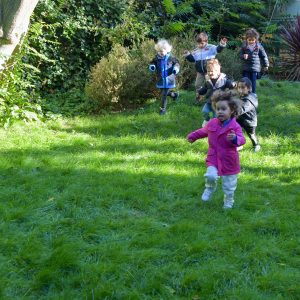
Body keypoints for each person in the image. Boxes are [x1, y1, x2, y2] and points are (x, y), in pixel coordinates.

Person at [187, 90, 246, 209]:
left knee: (229, 185)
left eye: (223, 109)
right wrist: (193, 136)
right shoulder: (213, 123)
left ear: (232, 110)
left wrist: (235, 139)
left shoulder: (235, 126)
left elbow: (242, 139)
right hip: (213, 157)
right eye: (217, 109)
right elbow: (203, 131)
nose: (220, 111)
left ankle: (229, 200)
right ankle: (210, 188)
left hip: (229, 159)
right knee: (211, 175)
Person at [183, 32, 227, 102]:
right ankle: (199, 98)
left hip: (209, 72)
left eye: (202, 43)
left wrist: (222, 44)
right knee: (197, 85)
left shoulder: (210, 47)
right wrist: (188, 55)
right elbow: (192, 59)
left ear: (206, 41)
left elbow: (218, 49)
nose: (200, 45)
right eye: (198, 43)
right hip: (200, 72)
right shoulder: (196, 50)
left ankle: (211, 99)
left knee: (210, 85)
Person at [197, 59, 235, 127]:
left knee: (216, 117)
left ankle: (217, 128)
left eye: (212, 71)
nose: (210, 73)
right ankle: (207, 120)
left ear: (218, 71)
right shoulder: (208, 80)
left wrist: (233, 84)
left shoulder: (223, 80)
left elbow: (230, 84)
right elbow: (205, 88)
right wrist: (200, 92)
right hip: (209, 101)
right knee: (204, 112)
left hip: (219, 103)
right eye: (208, 71)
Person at [149, 39, 180, 115]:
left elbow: (177, 63)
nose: (161, 53)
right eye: (159, 51)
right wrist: (152, 66)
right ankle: (174, 95)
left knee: (164, 95)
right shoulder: (156, 58)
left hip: (169, 79)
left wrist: (176, 69)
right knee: (163, 92)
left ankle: (163, 109)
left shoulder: (171, 58)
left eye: (162, 51)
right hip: (161, 79)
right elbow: (152, 63)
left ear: (167, 50)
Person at [240, 28, 269, 94]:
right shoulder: (244, 46)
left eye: (253, 40)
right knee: (245, 82)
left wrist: (266, 65)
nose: (251, 41)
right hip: (246, 68)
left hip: (255, 68)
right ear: (246, 39)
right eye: (249, 40)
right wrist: (243, 56)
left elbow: (264, 55)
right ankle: (245, 95)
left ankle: (253, 95)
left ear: (256, 39)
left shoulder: (259, 46)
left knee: (253, 83)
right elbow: (240, 55)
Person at [236, 77, 261, 152]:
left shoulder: (249, 100)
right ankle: (239, 144)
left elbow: (241, 109)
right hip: (240, 119)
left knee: (251, 134)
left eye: (243, 88)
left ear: (249, 88)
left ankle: (256, 145)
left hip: (249, 121)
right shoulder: (243, 95)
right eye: (239, 87)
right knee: (236, 130)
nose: (240, 90)